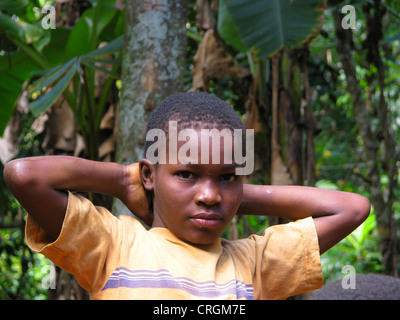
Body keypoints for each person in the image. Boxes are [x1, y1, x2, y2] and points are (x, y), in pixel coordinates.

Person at [4, 91, 370, 300]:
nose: (209, 195)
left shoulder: (255, 263)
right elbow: (25, 175)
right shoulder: (113, 245)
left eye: (226, 176)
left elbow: (352, 208)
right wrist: (122, 180)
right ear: (149, 174)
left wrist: (238, 194)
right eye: (187, 175)